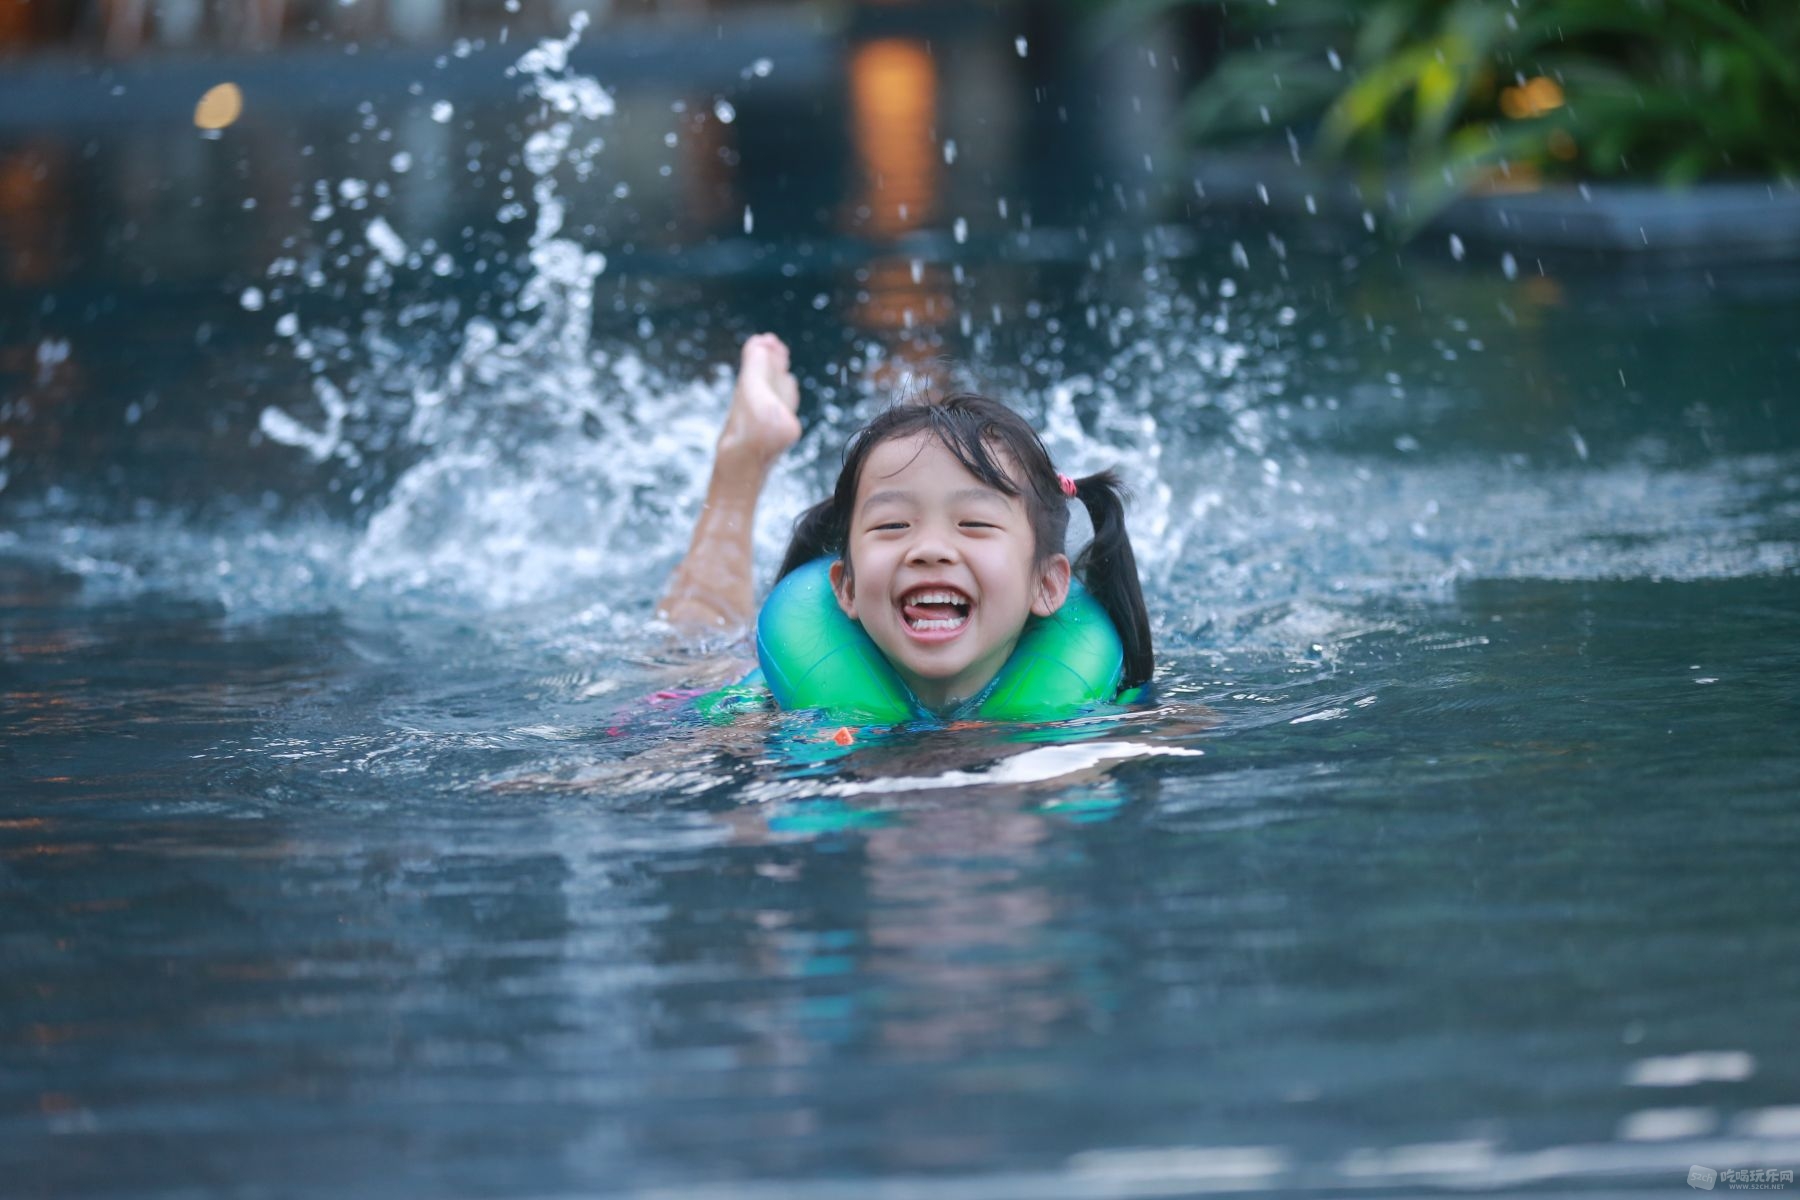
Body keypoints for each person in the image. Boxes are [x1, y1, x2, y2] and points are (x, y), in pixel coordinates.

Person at [658, 333, 1153, 720]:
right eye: (893, 525)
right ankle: (740, 464)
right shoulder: (766, 712)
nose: (930, 549)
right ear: (845, 587)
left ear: (1046, 584)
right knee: (694, 646)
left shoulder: (1104, 714)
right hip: (745, 676)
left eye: (974, 523)